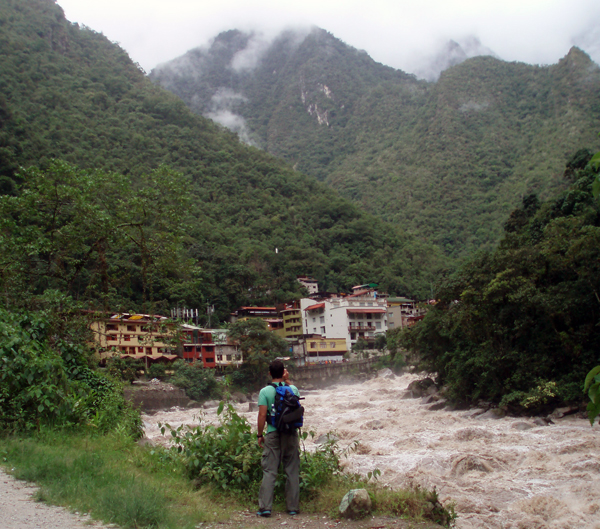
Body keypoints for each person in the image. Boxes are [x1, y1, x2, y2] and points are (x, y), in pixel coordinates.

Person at [256, 359, 300, 517]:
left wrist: (260, 434)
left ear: (269, 373)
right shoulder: (293, 389)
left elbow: (262, 415)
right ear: (283, 372)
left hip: (273, 433)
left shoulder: (265, 392)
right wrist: (287, 380)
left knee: (269, 471)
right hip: (291, 434)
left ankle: (265, 508)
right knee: (292, 470)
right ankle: (293, 507)